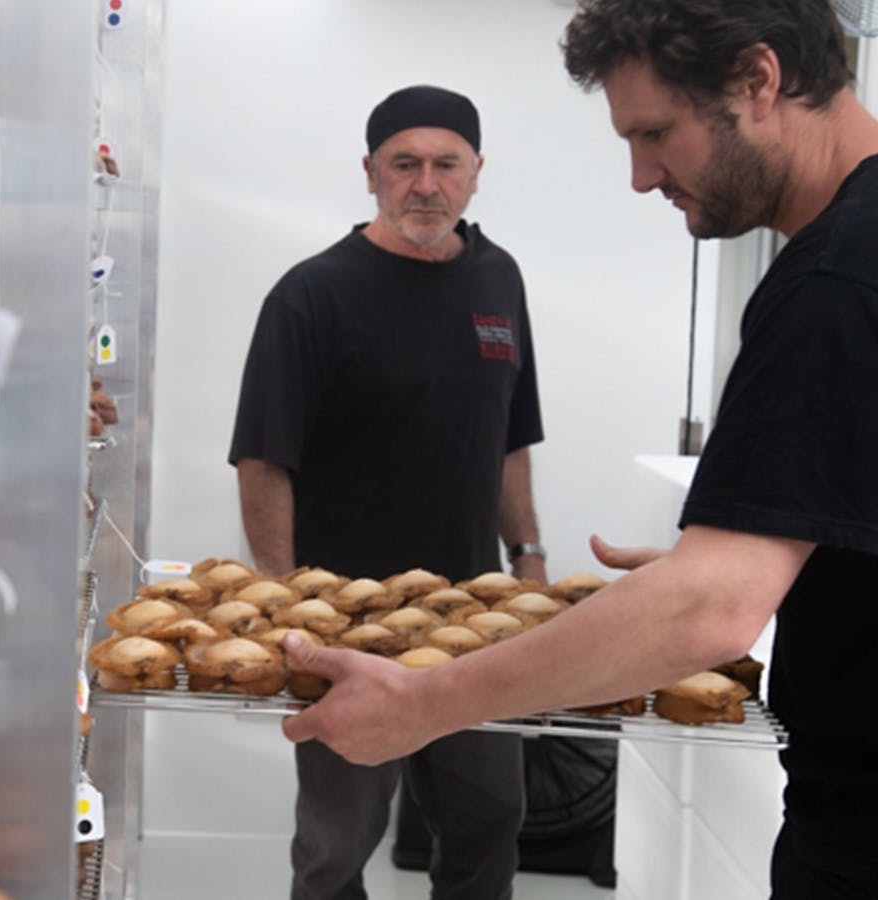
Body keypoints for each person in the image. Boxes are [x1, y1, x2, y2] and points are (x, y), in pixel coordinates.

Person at [279, 2, 878, 897]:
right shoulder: (313, 292)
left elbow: (709, 611)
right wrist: (771, 562)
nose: (641, 177)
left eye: (655, 133)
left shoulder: (832, 281)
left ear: (759, 81)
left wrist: (425, 704)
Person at [229, 84, 548, 899]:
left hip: (474, 615)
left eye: (447, 164)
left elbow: (512, 436)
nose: (426, 185)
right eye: (404, 164)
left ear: (477, 172)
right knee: (338, 843)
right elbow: (263, 458)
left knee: (489, 818)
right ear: (371, 173)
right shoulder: (312, 294)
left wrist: (529, 557)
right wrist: (281, 596)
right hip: (344, 619)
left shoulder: (499, 278)